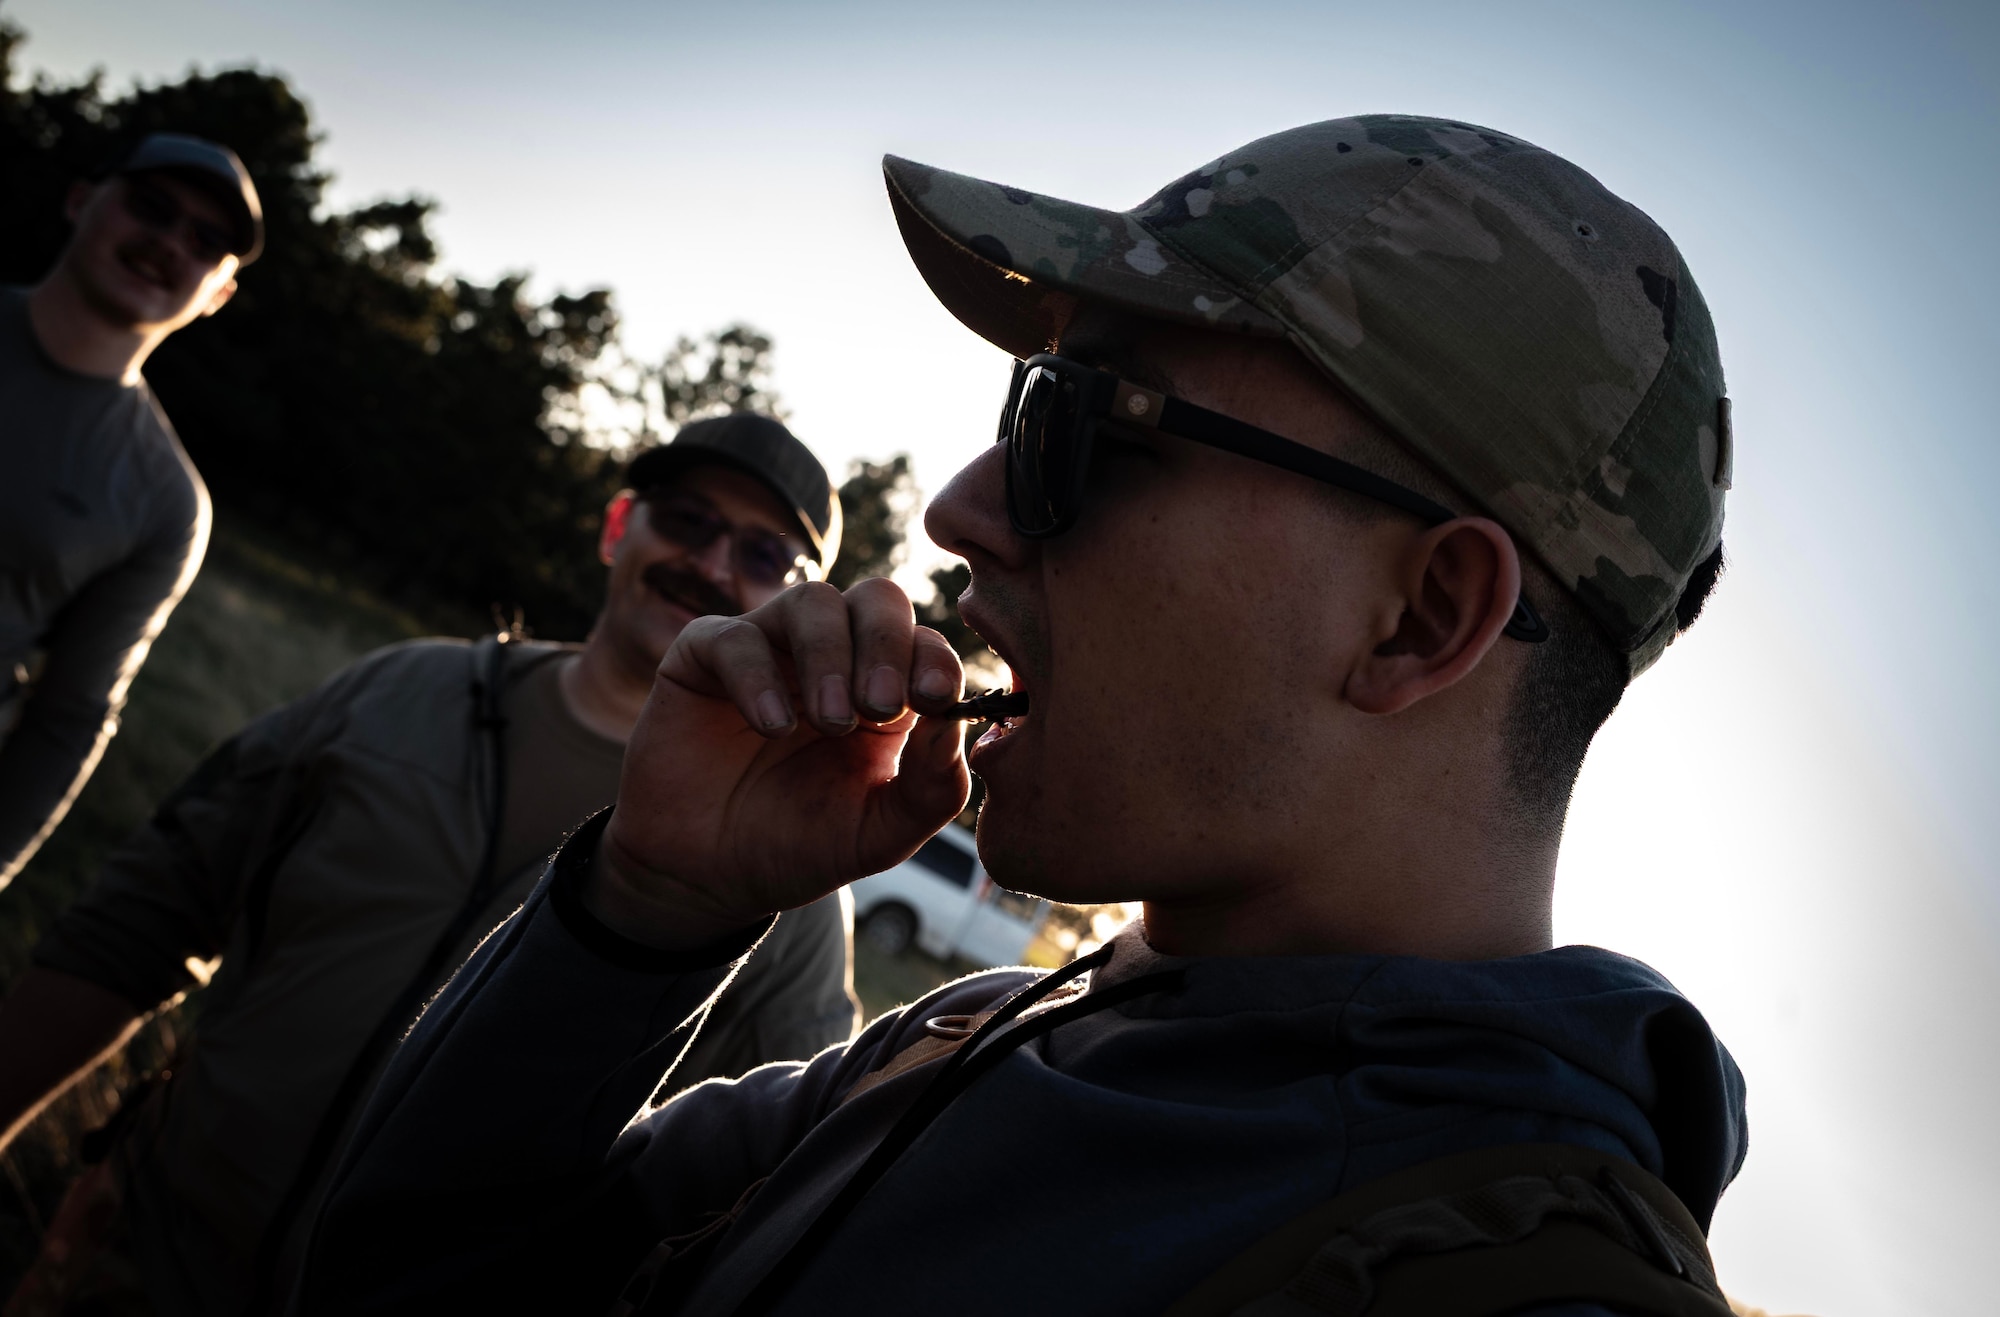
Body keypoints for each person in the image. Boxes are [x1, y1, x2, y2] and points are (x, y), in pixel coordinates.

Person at [299, 116, 1749, 1316]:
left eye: (1074, 424)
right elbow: (401, 1288)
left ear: (1421, 616)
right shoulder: (965, 1041)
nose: (961, 510)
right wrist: (647, 908)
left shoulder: (1520, 1292)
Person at [0, 414, 860, 1316]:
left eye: (765, 556)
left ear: (792, 608)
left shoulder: (778, 878)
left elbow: (778, 1182)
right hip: (140, 1266)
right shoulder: (402, 692)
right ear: (617, 527)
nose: (713, 565)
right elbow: (141, 921)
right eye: (685, 519)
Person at [1, 133, 263, 888]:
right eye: (151, 207)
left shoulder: (165, 502)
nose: (168, 243)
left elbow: (69, 717)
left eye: (207, 242)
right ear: (82, 201)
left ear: (217, 294)